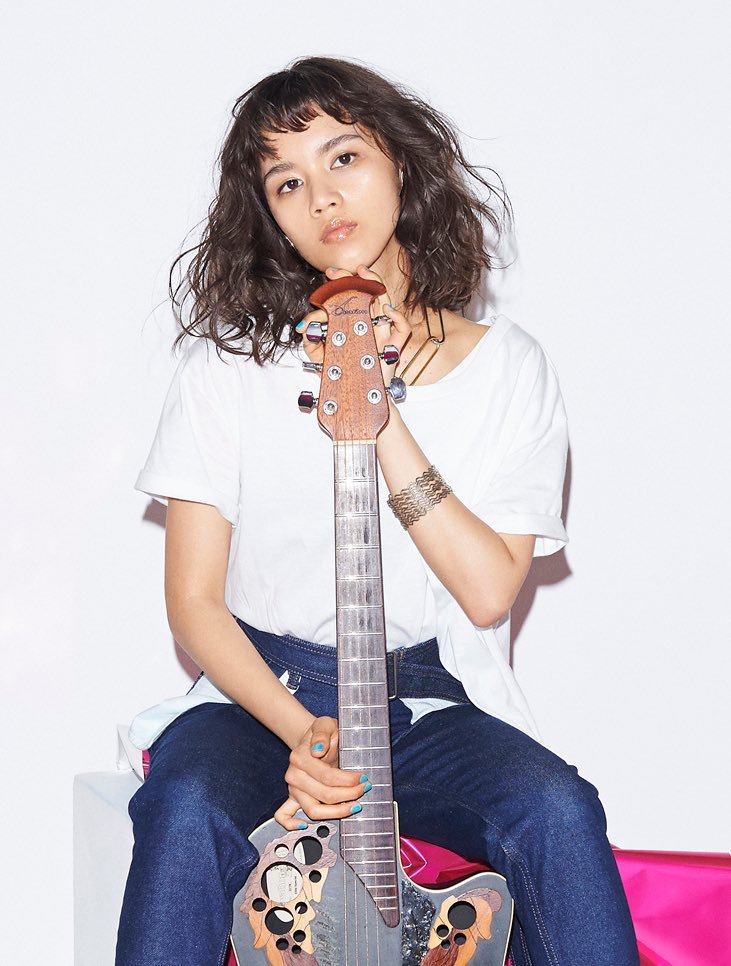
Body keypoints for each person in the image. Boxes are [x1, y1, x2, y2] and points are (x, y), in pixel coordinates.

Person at [116, 56, 639, 966]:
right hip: (261, 696)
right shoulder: (226, 367)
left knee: (556, 811)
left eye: (343, 157)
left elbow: (487, 591)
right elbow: (194, 603)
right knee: (184, 805)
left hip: (420, 701)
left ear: (400, 162)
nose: (322, 196)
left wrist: (380, 416)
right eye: (287, 182)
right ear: (270, 216)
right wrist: (300, 734)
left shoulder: (508, 368)